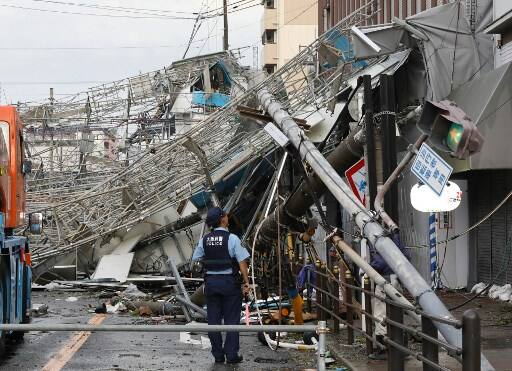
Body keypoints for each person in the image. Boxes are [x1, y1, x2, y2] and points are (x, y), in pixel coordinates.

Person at [192, 207, 250, 364]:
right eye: (225, 216)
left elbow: (196, 258)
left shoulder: (204, 240)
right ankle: (231, 354)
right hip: (229, 284)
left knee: (213, 321)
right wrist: (246, 282)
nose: (227, 218)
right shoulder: (232, 239)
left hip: (211, 284)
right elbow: (242, 263)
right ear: (222, 219)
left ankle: (218, 355)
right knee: (232, 320)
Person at [368, 231, 411, 360]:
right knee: (397, 312)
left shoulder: (380, 241)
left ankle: (384, 349)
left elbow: (380, 263)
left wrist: (370, 265)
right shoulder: (396, 238)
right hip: (397, 279)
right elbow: (406, 257)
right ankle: (401, 347)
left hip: (385, 280)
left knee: (381, 314)